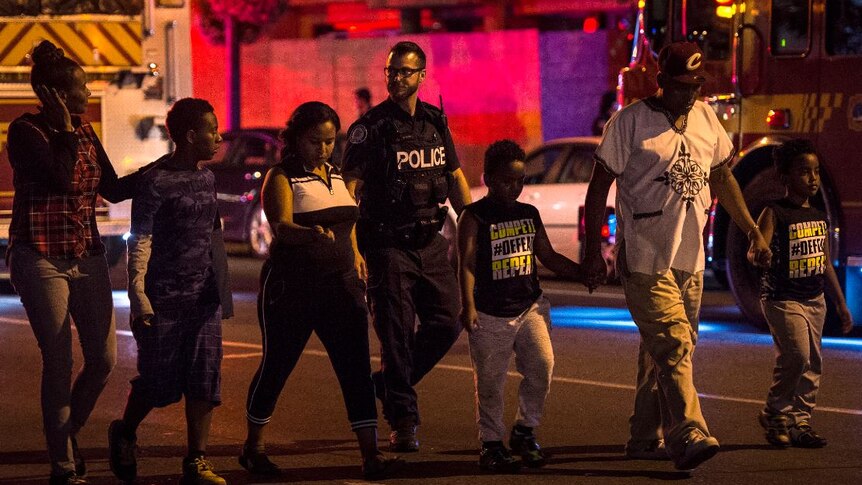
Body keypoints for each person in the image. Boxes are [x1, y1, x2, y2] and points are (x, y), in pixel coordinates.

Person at [581, 41, 772, 471]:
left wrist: (753, 231)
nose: (691, 94)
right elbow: (599, 187)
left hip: (689, 258)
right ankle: (687, 431)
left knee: (666, 349)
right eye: (682, 86)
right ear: (661, 81)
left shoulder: (705, 118)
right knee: (673, 342)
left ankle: (643, 435)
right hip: (646, 257)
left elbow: (722, 175)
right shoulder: (629, 122)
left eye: (696, 85)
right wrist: (595, 250)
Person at [239, 101, 401, 480]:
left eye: (330, 142)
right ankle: (254, 447)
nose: (325, 149)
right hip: (292, 288)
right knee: (277, 367)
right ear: (295, 138)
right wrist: (308, 233)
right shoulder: (282, 177)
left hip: (341, 289)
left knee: (356, 370)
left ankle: (370, 456)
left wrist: (357, 255)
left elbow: (349, 224)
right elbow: (279, 225)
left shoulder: (335, 175)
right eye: (316, 141)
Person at [6, 40, 139, 485]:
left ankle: (69, 434)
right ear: (55, 94)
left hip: (87, 254)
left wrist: (168, 167)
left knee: (103, 359)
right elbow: (61, 179)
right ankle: (63, 466)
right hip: (41, 256)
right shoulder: (25, 132)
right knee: (58, 361)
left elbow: (114, 188)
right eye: (79, 89)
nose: (87, 95)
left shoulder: (83, 130)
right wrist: (63, 131)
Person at [342, 40, 472, 452]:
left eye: (404, 72)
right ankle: (403, 420)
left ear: (421, 76)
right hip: (386, 244)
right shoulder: (371, 128)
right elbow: (349, 190)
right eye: (390, 71)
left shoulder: (435, 121)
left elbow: (454, 178)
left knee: (447, 321)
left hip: (430, 242)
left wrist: (475, 225)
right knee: (395, 335)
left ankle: (387, 385)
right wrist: (354, 249)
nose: (395, 78)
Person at [107, 98, 229, 485]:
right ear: (191, 136)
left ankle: (197, 460)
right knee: (160, 384)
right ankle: (124, 432)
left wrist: (221, 290)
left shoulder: (207, 178)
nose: (219, 136)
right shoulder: (155, 181)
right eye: (212, 129)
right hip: (163, 297)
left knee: (204, 374)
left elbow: (214, 236)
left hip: (203, 297)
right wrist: (138, 296)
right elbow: (139, 240)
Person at [457, 140, 581, 473]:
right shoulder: (474, 216)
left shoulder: (529, 213)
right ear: (488, 179)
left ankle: (525, 430)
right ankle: (492, 444)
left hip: (530, 306)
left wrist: (581, 273)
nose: (514, 187)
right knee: (491, 383)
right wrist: (467, 305)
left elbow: (548, 255)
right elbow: (466, 263)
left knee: (542, 365)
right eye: (506, 181)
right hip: (489, 312)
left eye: (520, 180)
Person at [754, 139, 854, 448]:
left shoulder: (819, 217)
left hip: (815, 300)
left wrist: (841, 303)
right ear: (785, 176)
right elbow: (755, 248)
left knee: (813, 363)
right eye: (803, 172)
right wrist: (760, 253)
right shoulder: (774, 213)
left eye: (815, 172)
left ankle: (800, 422)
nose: (812, 178)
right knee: (796, 356)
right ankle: (775, 412)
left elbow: (824, 263)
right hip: (783, 299)